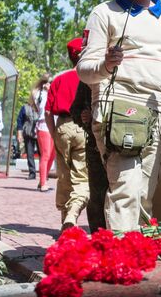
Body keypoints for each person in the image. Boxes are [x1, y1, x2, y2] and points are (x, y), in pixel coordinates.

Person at [77, 0, 161, 232]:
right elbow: (84, 70)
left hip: (157, 110)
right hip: (117, 107)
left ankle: (133, 255)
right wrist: (106, 64)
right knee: (126, 189)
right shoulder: (104, 13)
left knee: (144, 194)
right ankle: (119, 260)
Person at [45, 38, 88, 232]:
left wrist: (54, 134)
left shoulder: (59, 79)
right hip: (83, 126)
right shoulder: (89, 77)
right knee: (82, 175)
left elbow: (47, 112)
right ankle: (73, 214)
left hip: (62, 125)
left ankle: (65, 217)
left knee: (63, 174)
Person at [70, 81, 107, 233]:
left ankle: (119, 237)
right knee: (97, 194)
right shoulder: (88, 78)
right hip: (94, 146)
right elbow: (75, 109)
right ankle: (99, 237)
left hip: (122, 145)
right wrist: (82, 116)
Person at [33, 74, 55, 191]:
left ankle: (43, 179)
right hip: (43, 125)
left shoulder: (53, 92)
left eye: (50, 82)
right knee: (45, 155)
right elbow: (43, 107)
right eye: (46, 82)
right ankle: (43, 183)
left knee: (52, 155)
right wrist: (44, 88)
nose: (49, 84)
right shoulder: (39, 94)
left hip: (54, 125)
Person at [16, 98, 39, 180]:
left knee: (43, 154)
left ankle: (44, 173)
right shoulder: (25, 107)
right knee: (30, 154)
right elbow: (19, 120)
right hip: (28, 133)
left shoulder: (42, 105)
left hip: (40, 133)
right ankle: (32, 173)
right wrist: (19, 134)